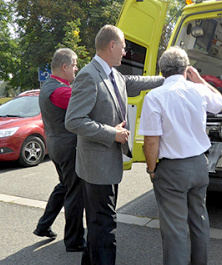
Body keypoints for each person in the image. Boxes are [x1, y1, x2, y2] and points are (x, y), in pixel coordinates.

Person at [64, 25, 164, 265]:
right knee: (104, 226)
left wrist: (167, 79)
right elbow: (73, 121)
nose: (125, 51)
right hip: (96, 167)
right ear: (111, 45)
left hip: (107, 165)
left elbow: (134, 81)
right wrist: (112, 134)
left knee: (99, 223)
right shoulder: (89, 75)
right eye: (123, 46)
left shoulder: (113, 74)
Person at [139, 46, 222, 265]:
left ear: (161, 71)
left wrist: (151, 169)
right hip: (199, 165)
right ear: (186, 69)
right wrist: (199, 80)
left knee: (175, 230)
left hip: (171, 169)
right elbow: (221, 103)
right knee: (199, 221)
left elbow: (151, 140)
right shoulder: (199, 90)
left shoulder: (154, 96)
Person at [34, 48, 85, 252]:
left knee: (64, 186)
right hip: (68, 147)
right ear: (64, 67)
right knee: (75, 194)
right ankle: (74, 241)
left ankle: (43, 225)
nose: (76, 68)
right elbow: (87, 106)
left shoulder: (49, 86)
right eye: (74, 64)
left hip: (56, 146)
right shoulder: (63, 91)